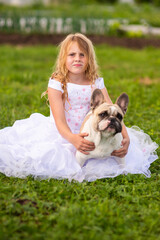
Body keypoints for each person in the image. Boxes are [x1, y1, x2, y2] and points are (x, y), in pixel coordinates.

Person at [0, 33, 158, 182]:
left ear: (90, 58)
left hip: (96, 132)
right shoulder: (57, 83)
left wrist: (126, 137)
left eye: (82, 54)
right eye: (72, 55)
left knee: (113, 153)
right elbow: (59, 120)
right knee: (57, 159)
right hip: (64, 134)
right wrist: (72, 139)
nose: (77, 59)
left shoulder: (95, 82)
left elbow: (113, 110)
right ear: (63, 58)